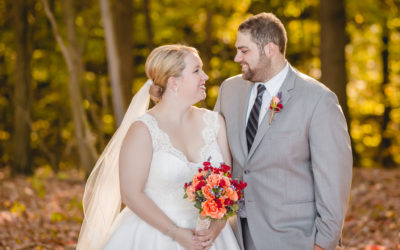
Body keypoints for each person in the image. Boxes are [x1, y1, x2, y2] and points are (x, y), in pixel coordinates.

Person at [77, 45, 240, 250]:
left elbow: (228, 186)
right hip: (155, 236)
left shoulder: (215, 123)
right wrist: (176, 233)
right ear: (174, 82)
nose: (205, 76)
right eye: (197, 70)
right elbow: (130, 194)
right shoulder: (143, 130)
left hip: (212, 239)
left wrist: (215, 228)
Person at [214, 13, 352, 250]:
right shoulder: (230, 90)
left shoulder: (318, 100)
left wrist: (325, 243)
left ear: (269, 49)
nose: (237, 57)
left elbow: (333, 179)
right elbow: (215, 153)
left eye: (244, 50)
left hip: (293, 237)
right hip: (234, 235)